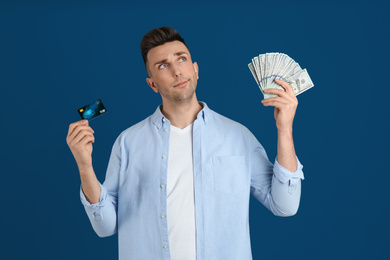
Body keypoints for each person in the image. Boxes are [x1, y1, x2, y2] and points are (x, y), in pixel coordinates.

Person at [66, 26, 304, 260]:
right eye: (163, 65)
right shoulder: (127, 143)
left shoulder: (238, 137)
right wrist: (85, 166)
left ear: (195, 69)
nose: (176, 71)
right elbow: (105, 227)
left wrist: (285, 129)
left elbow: (285, 205)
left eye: (181, 59)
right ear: (152, 84)